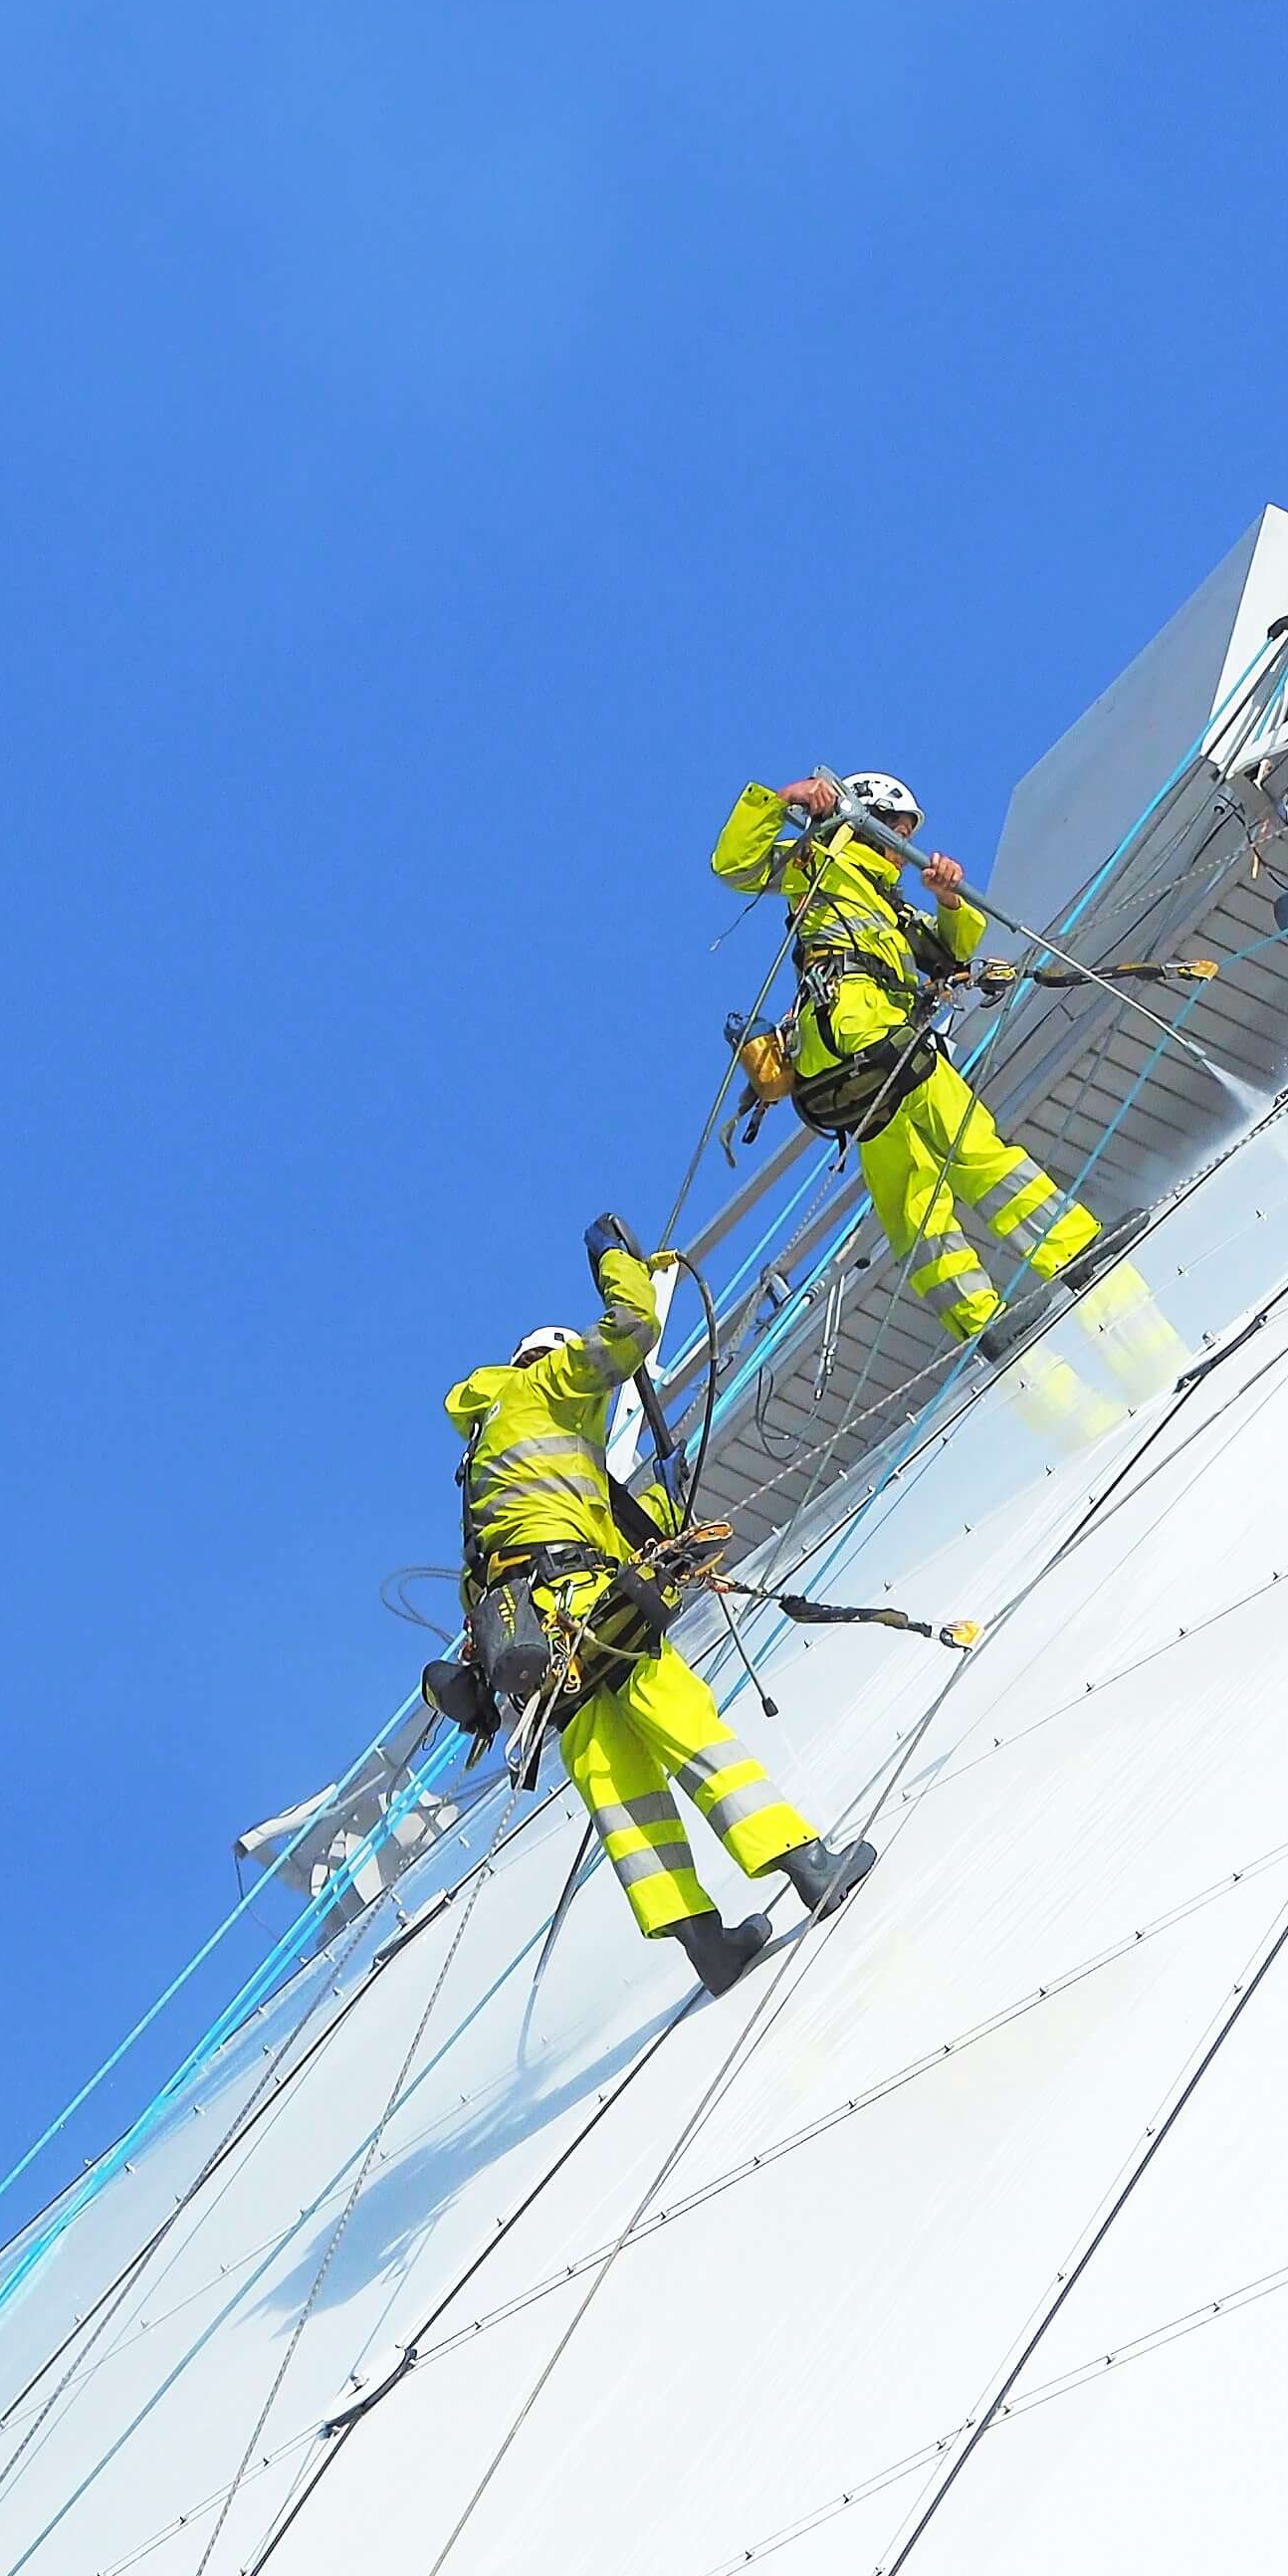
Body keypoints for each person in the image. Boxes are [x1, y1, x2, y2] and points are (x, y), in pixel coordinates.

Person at [445, 1237, 870, 1994]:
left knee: (620, 1789)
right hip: (584, 1606)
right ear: (545, 1359)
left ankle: (707, 1947)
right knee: (684, 1724)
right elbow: (633, 1327)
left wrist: (666, 1521)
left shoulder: (487, 1467)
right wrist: (618, 1259)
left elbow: (592, 1535)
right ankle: (806, 1866)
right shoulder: (545, 1387)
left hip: (537, 1654)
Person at [711, 769, 1104, 1347]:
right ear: (860, 818)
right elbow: (735, 865)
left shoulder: (890, 908)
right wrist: (785, 799)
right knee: (971, 1145)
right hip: (873, 1034)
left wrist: (950, 902)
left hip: (839, 1065)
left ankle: (979, 1325)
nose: (900, 843)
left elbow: (947, 955)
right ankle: (1071, 1249)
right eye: (893, 827)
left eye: (904, 831)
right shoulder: (818, 864)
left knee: (909, 1194)